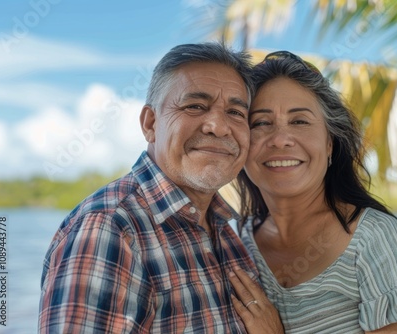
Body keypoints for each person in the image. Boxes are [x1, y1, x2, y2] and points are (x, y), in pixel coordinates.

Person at [38, 42, 282, 333]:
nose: (218, 126)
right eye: (195, 106)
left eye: (236, 113)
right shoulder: (109, 229)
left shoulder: (225, 231)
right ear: (150, 123)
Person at [231, 51, 397, 333]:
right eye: (260, 123)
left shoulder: (373, 239)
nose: (281, 140)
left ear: (330, 144)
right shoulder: (238, 241)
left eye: (299, 121)